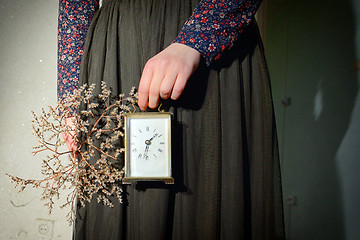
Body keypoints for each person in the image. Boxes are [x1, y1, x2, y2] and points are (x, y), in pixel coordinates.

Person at [58, 0, 285, 239]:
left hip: (212, 41)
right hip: (118, 48)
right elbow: (75, 6)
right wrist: (71, 103)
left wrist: (197, 38)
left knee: (206, 199)